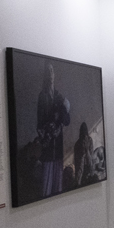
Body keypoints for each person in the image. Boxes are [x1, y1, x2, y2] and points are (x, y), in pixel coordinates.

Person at [36, 62, 70, 197]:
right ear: (45, 76)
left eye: (52, 71)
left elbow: (67, 120)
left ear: (54, 75)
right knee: (46, 191)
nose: (50, 75)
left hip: (58, 151)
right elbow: (39, 125)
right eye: (47, 72)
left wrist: (62, 113)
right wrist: (53, 123)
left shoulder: (58, 96)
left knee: (58, 190)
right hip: (48, 151)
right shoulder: (42, 96)